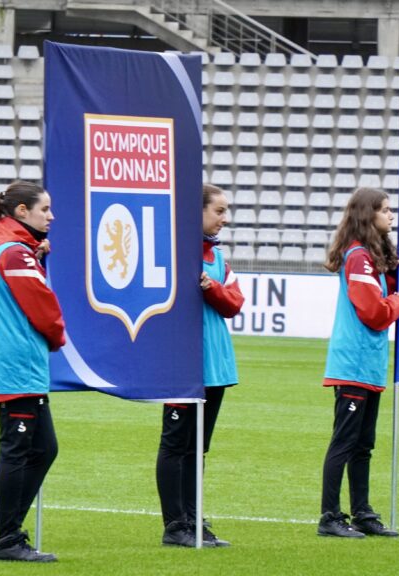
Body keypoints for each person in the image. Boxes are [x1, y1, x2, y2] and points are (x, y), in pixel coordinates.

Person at [0, 181, 65, 562]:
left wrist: (36, 255)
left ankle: (11, 534)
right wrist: (59, 337)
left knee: (44, 448)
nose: (52, 216)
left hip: (18, 365)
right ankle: (7, 539)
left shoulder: (11, 248)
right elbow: (43, 307)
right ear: (21, 212)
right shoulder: (13, 252)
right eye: (45, 209)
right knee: (18, 450)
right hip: (16, 366)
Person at [318, 187, 399, 539]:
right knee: (344, 442)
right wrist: (398, 301)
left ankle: (362, 512)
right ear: (367, 214)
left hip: (367, 364)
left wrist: (393, 278)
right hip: (353, 363)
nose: (391, 216)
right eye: (385, 210)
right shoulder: (357, 256)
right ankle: (329, 517)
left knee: (363, 444)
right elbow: (373, 312)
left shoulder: (367, 258)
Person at [156, 184, 243, 547]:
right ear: (198, 211)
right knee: (175, 446)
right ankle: (175, 525)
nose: (225, 218)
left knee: (197, 449)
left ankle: (194, 519)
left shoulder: (217, 259)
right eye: (219, 211)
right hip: (182, 365)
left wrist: (212, 288)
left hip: (215, 367)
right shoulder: (174, 254)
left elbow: (234, 303)